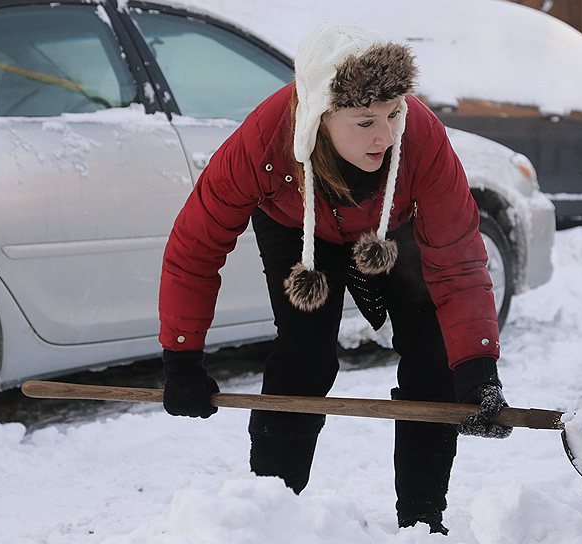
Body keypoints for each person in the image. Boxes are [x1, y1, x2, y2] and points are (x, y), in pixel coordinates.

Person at [158, 22, 512, 535]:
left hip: (392, 226)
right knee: (305, 356)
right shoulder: (263, 141)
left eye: (393, 115)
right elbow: (195, 246)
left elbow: (458, 258)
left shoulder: (420, 137)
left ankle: (421, 521)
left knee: (434, 356)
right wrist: (182, 355)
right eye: (366, 121)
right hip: (295, 226)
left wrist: (477, 367)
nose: (386, 135)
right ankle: (271, 514)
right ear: (321, 117)